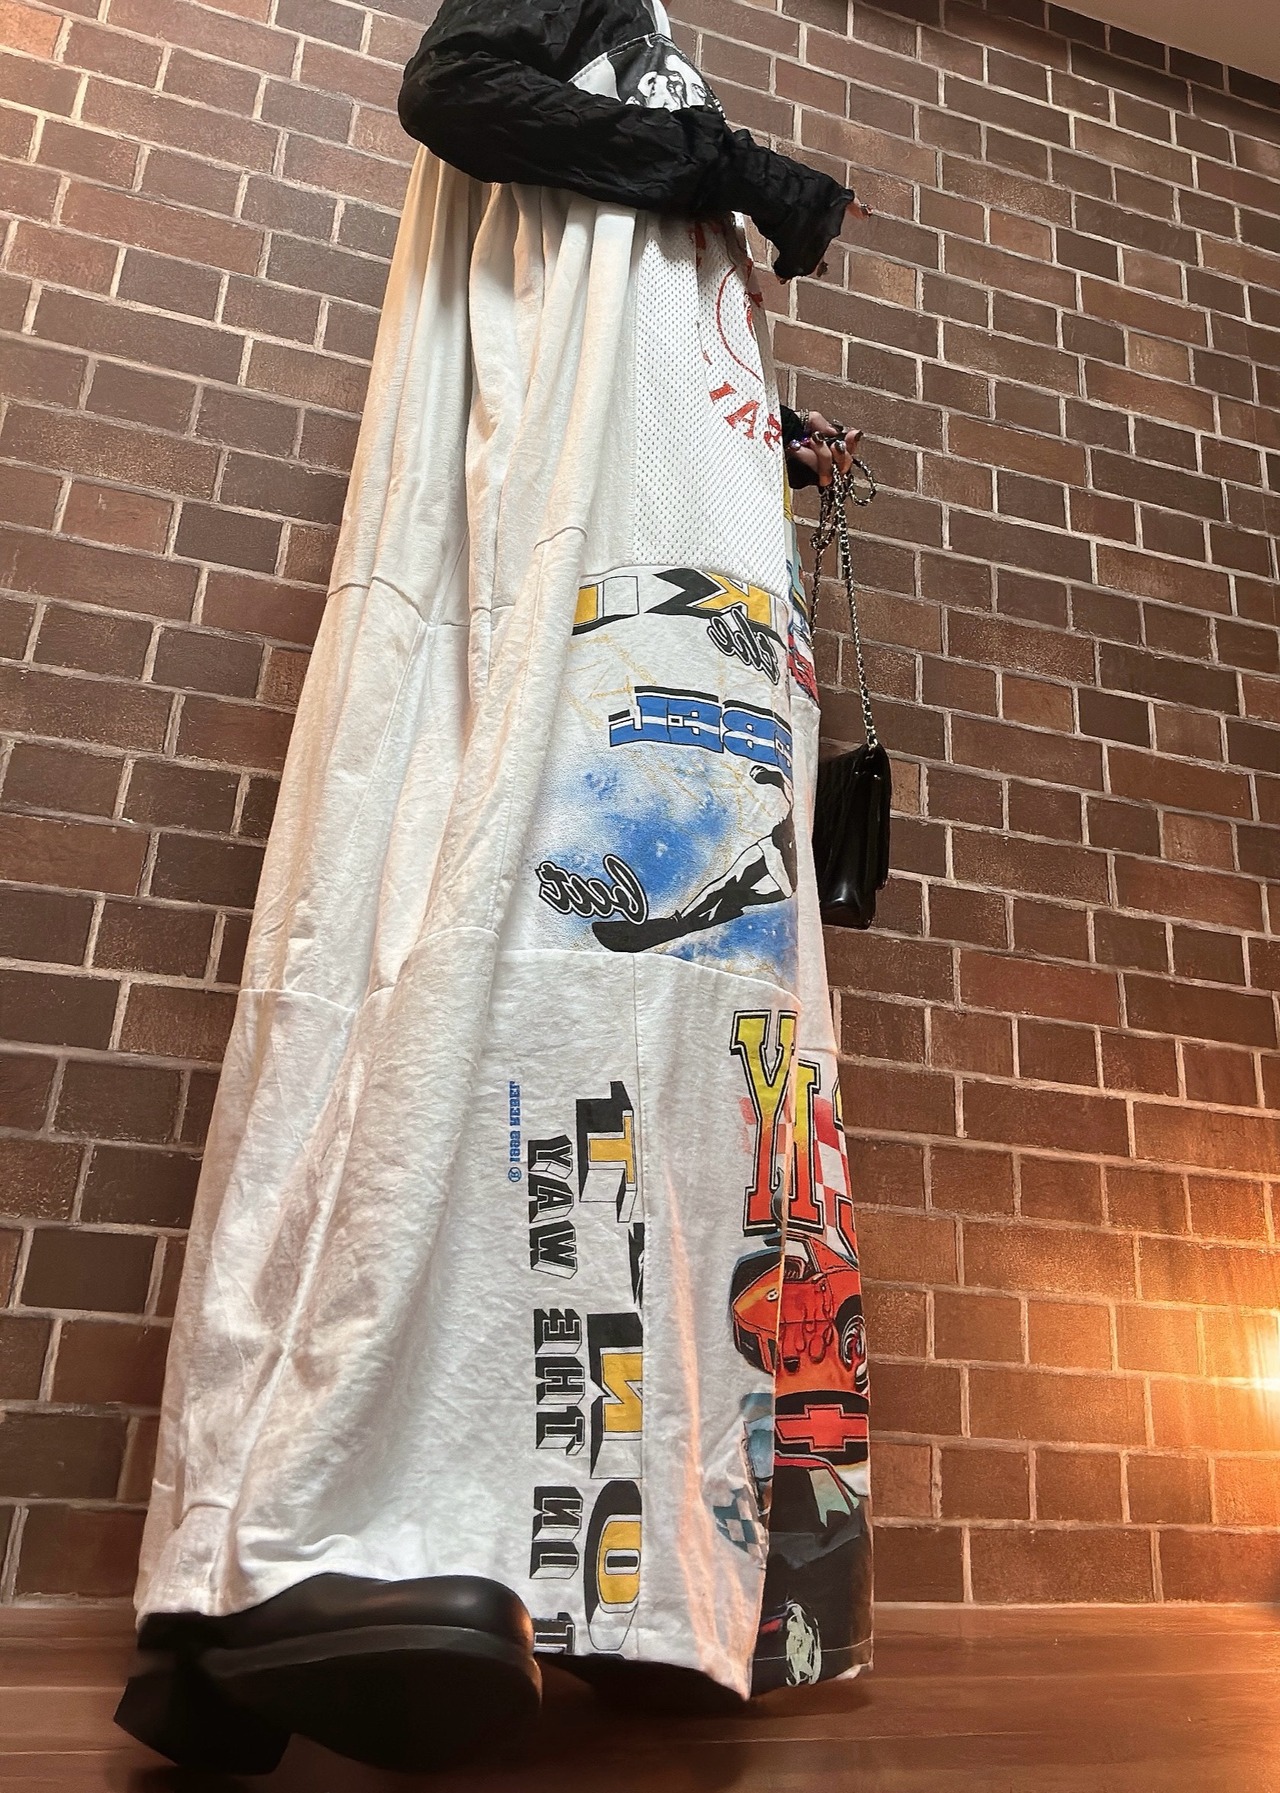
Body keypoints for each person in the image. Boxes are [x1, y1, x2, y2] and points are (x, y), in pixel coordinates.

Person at [114, 0, 873, 1773]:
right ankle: (349, 1520)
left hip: (693, 637)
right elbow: (457, 90)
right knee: (517, 960)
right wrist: (736, 167)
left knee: (683, 1049)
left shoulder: (652, 66)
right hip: (597, 624)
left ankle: (638, 1567)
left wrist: (761, 430)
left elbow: (608, 319)